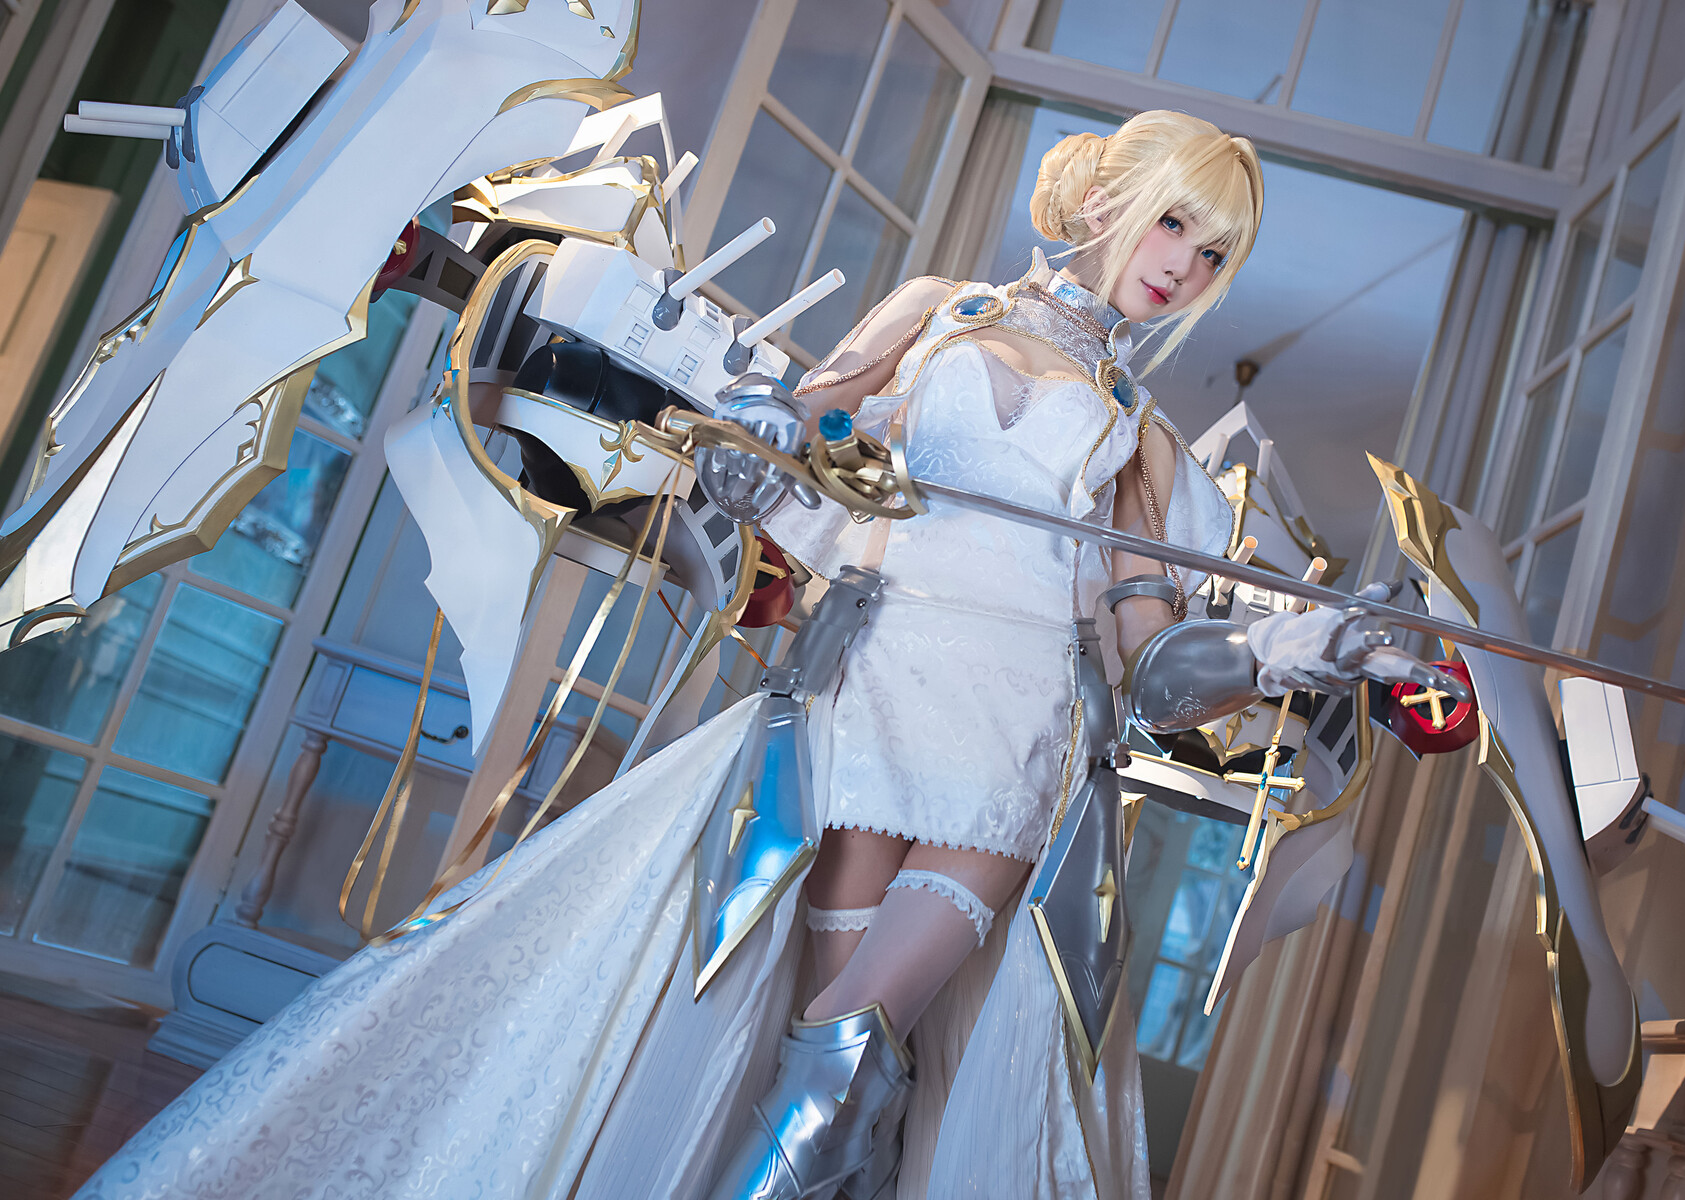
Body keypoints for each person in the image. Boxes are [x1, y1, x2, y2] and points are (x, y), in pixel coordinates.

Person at [72, 111, 1452, 1200]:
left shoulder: (1137, 436)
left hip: (1013, 745)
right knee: (813, 1052)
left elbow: (1155, 672)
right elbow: (793, 448)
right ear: (1112, 199)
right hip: (868, 693)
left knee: (840, 1070)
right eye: (1178, 224)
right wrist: (784, 452)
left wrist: (1307, 645)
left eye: (1215, 256)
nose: (1184, 268)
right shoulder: (939, 312)